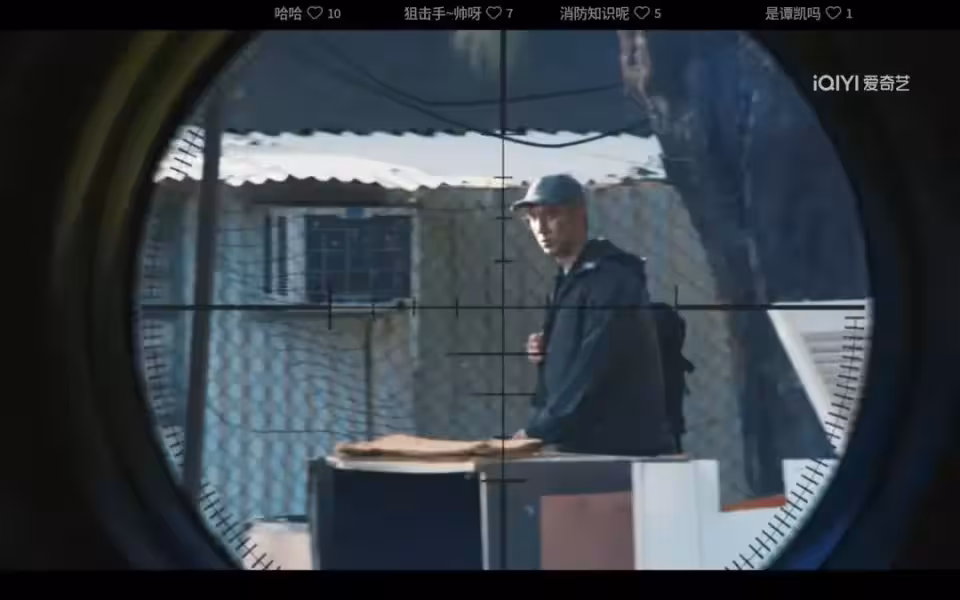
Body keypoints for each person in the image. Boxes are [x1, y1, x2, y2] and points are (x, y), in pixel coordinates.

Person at [510, 174, 678, 457]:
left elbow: (594, 367)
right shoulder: (571, 280)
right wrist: (553, 347)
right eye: (533, 218)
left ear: (579, 214)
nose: (541, 228)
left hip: (620, 450)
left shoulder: (611, 280)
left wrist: (539, 431)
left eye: (552, 215)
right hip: (581, 445)